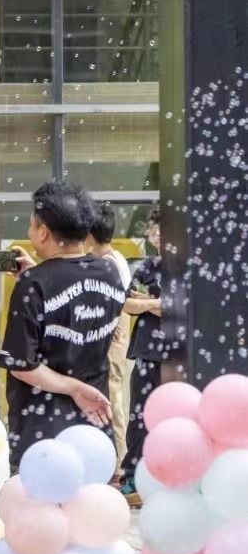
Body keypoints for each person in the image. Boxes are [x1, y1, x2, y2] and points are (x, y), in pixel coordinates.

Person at [2, 180, 123, 467]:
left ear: (43, 232)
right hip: (94, 426)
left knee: (41, 495)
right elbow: (76, 299)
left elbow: (22, 365)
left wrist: (73, 388)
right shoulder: (110, 272)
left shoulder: (34, 285)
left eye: (31, 225)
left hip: (42, 432)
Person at [119, 206, 165, 507]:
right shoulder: (147, 267)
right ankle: (132, 477)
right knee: (140, 415)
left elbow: (183, 308)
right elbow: (128, 304)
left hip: (180, 354)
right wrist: (154, 303)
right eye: (153, 227)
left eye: (160, 227)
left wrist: (149, 301)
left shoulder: (190, 268)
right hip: (147, 352)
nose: (154, 233)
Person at [87, 203, 133, 467]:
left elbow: (113, 305)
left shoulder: (106, 264)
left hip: (111, 338)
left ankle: (118, 463)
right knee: (114, 398)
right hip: (117, 336)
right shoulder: (117, 258)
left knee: (112, 400)